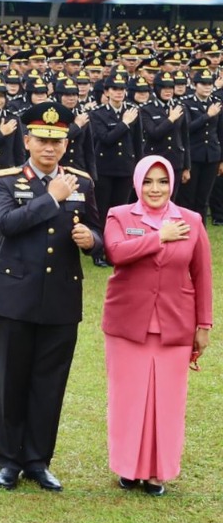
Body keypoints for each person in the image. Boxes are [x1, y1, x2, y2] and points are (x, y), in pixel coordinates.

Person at [0, 101, 104, 492]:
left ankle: (38, 460)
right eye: (41, 140)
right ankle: (9, 461)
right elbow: (6, 223)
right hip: (15, 296)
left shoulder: (82, 182)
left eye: (56, 141)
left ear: (66, 144)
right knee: (13, 380)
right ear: (27, 141)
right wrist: (51, 198)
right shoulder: (4, 179)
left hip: (60, 297)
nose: (49, 148)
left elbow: (97, 232)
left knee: (50, 383)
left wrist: (92, 241)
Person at [102, 154, 212, 495]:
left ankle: (157, 473)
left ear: (173, 184)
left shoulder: (192, 221)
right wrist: (160, 236)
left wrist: (204, 324)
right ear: (137, 183)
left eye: (162, 181)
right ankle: (128, 468)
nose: (155, 188)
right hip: (127, 324)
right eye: (148, 181)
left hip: (175, 324)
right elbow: (117, 253)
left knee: (167, 402)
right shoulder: (119, 216)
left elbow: (202, 275)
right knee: (129, 399)